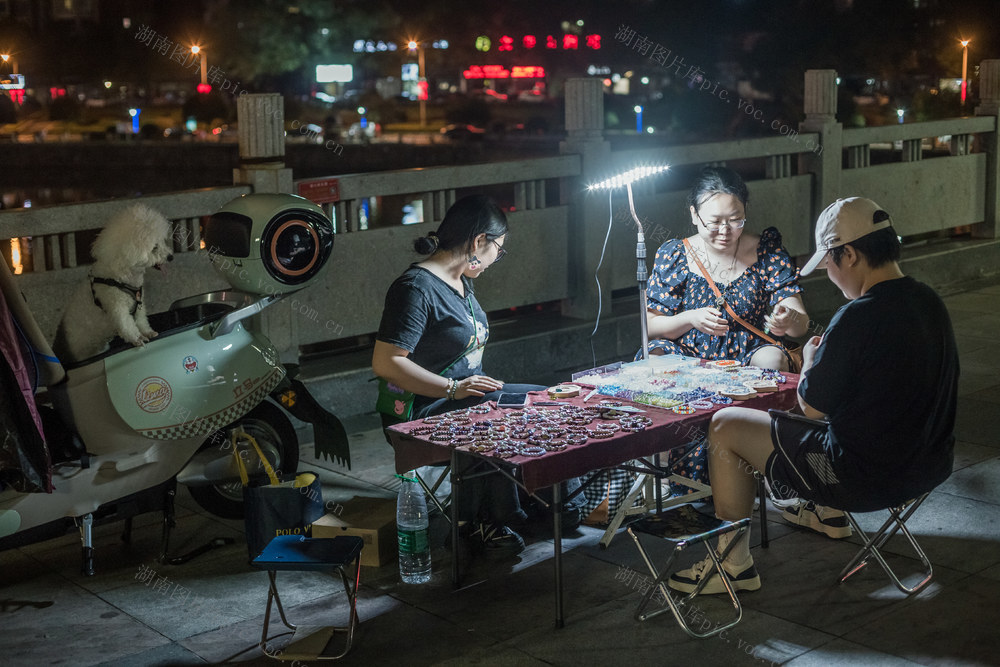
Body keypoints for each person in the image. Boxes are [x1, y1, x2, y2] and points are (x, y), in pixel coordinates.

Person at [667, 197, 959, 595]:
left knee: (725, 424)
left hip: (856, 478)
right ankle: (799, 510)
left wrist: (809, 362)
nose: (832, 277)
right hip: (929, 467)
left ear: (850, 255)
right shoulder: (929, 301)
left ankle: (732, 563)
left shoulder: (857, 316)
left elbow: (811, 407)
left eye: (830, 265)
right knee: (780, 424)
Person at [372, 195, 547, 557]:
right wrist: (453, 388)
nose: (497, 258)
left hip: (462, 398)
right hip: (419, 409)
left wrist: (464, 390)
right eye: (499, 249)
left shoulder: (460, 283)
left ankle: (544, 502)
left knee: (542, 398)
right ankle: (481, 521)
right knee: (494, 414)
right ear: (480, 241)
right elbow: (386, 364)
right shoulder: (415, 289)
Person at [642, 166, 810, 492]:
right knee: (658, 358)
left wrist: (788, 318)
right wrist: (690, 318)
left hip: (747, 352)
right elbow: (650, 326)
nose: (725, 230)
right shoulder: (675, 254)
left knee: (772, 360)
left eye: (735, 220)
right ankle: (674, 472)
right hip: (688, 353)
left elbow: (800, 323)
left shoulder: (766, 251)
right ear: (694, 215)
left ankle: (762, 463)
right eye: (714, 221)